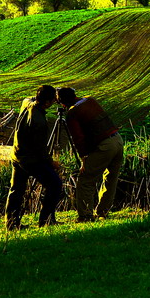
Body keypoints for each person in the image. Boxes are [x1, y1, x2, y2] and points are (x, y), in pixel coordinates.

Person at [56, 87, 124, 223]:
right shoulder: (90, 100)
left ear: (62, 103)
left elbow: (78, 139)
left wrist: (84, 159)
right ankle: (102, 212)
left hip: (104, 146)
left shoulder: (72, 113)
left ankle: (85, 215)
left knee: (86, 180)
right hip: (117, 140)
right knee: (111, 179)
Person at [5, 84, 62, 230]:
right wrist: (52, 162)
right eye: (53, 100)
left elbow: (30, 98)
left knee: (16, 190)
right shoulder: (40, 122)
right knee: (55, 184)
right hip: (31, 160)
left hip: (17, 155)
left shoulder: (26, 103)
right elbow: (40, 150)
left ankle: (11, 223)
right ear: (48, 102)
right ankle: (46, 220)